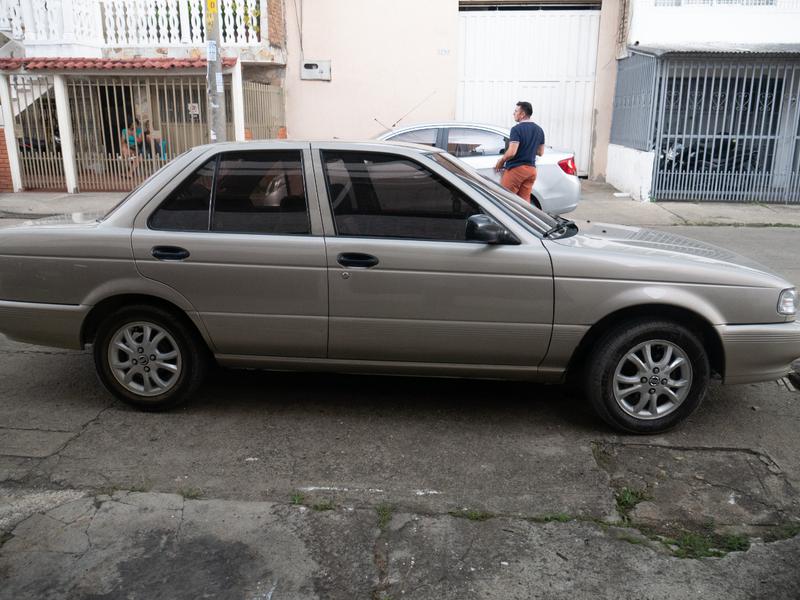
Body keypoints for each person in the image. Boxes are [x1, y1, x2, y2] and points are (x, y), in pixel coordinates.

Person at [495, 101, 545, 202]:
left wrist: (501, 161)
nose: (514, 113)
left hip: (516, 170)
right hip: (531, 171)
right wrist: (528, 147)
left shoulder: (516, 129)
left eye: (516, 111)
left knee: (505, 201)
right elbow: (540, 152)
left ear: (522, 114)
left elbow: (512, 152)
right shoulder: (539, 130)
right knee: (523, 205)